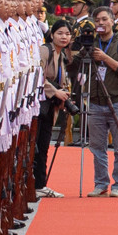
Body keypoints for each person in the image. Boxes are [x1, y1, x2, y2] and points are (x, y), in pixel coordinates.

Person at [83, 6, 118, 197]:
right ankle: (101, 183)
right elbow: (74, 65)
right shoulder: (90, 43)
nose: (100, 23)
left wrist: (105, 58)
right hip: (96, 102)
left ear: (113, 21)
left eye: (104, 19)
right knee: (97, 147)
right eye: (97, 20)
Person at [35, 21, 74, 198]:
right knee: (37, 145)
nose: (63, 37)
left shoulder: (62, 55)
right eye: (60, 33)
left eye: (67, 34)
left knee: (44, 146)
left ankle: (40, 184)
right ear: (52, 34)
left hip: (50, 106)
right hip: (39, 105)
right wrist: (55, 92)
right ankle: (36, 184)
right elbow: (36, 77)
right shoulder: (45, 51)